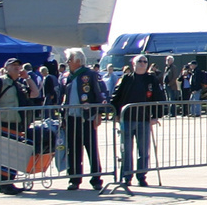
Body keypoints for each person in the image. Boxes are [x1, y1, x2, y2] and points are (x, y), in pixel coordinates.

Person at [111, 55, 165, 188]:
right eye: (139, 61)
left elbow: (159, 98)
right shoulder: (126, 78)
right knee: (126, 150)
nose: (142, 64)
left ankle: (141, 176)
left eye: (145, 61)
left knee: (143, 151)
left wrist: (156, 116)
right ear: (133, 64)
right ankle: (126, 176)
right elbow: (116, 96)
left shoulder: (151, 79)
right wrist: (116, 114)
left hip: (144, 120)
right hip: (127, 120)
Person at [0, 58, 40, 194]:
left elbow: (35, 93)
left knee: (14, 155)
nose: (17, 67)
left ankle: (10, 182)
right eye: (13, 65)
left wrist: (27, 77)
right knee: (5, 155)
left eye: (19, 65)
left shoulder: (19, 84)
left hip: (17, 123)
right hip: (4, 121)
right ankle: (4, 184)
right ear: (6, 67)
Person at [61, 48, 107, 191]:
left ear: (78, 61)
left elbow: (99, 94)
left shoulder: (90, 74)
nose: (67, 63)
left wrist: (99, 114)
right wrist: (61, 116)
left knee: (91, 148)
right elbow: (61, 97)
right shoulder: (66, 76)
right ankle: (74, 179)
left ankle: (96, 178)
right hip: (71, 118)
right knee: (73, 150)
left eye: (69, 60)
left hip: (87, 117)